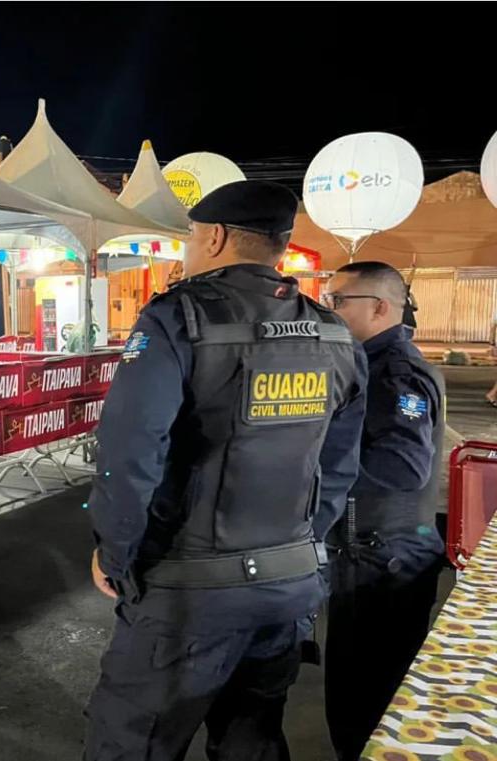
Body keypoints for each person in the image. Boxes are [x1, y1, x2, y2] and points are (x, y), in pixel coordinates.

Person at [83, 180, 368, 761]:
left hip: (189, 595)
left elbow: (130, 452)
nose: (188, 248)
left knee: (131, 745)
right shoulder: (334, 332)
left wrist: (115, 555)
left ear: (213, 237)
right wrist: (303, 545)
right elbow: (339, 467)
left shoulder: (176, 320)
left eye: (190, 236)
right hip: (286, 591)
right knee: (251, 741)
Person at [318, 262, 446, 761]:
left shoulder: (395, 373)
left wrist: (315, 471)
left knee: (363, 702)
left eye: (337, 300)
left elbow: (401, 467)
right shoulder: (371, 364)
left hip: (381, 559)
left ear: (379, 307)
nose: (328, 310)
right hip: (379, 553)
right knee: (366, 696)